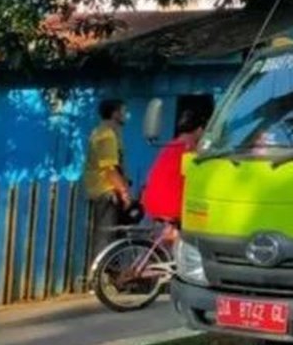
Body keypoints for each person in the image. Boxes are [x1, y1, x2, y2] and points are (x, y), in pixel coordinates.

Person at [142, 109, 208, 241]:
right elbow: (197, 180)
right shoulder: (189, 150)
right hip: (171, 208)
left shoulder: (170, 146)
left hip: (152, 205)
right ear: (200, 130)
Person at [85, 99, 131, 260]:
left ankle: (108, 275)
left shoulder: (105, 133)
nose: (126, 115)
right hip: (106, 191)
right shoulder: (106, 135)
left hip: (106, 189)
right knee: (105, 238)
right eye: (123, 111)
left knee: (112, 237)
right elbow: (109, 169)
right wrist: (124, 193)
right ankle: (100, 279)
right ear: (115, 113)